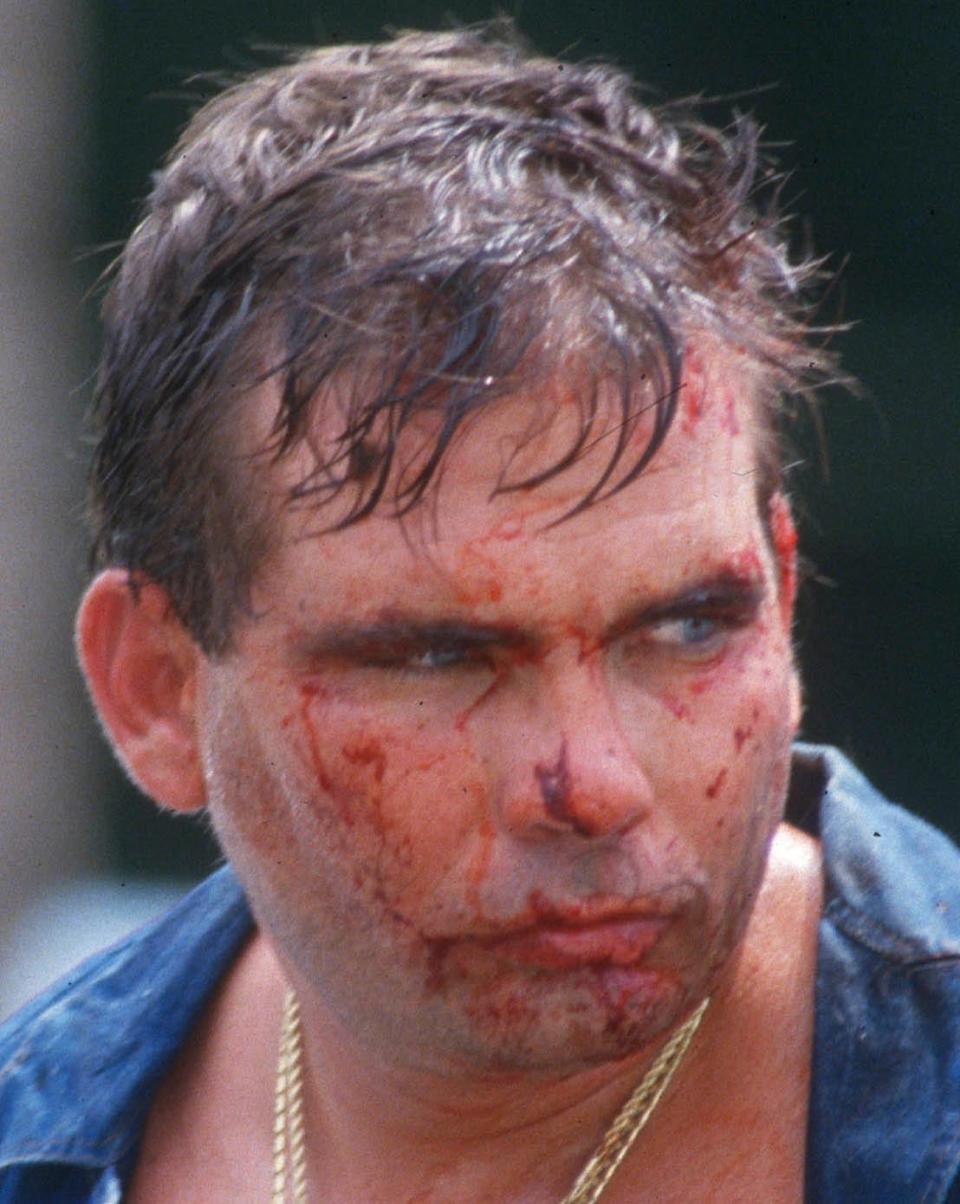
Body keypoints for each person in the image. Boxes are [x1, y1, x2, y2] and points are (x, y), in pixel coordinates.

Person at [1, 23, 958, 1203]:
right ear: (156, 689)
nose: (593, 782)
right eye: (441, 656)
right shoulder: (44, 1134)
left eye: (688, 627)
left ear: (784, 595)